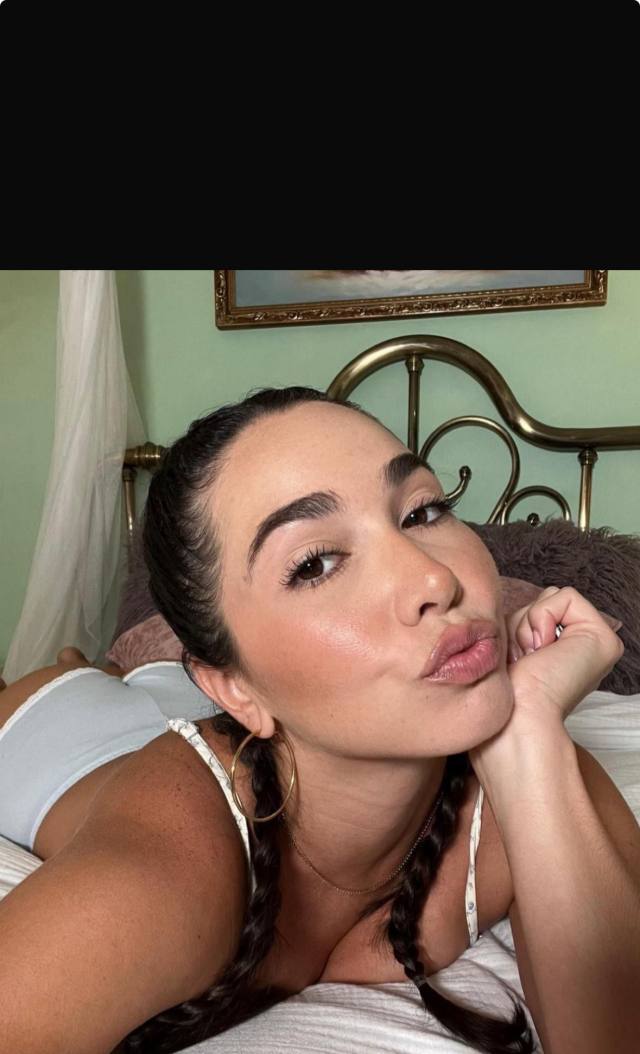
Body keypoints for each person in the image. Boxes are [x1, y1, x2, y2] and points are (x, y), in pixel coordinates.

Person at [0, 386, 638, 1054]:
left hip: (246, 723)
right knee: (71, 679)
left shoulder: (534, 776)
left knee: (154, 681)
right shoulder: (158, 874)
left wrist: (528, 734)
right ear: (232, 685)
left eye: (422, 511)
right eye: (315, 564)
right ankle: (85, 671)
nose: (433, 580)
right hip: (63, 729)